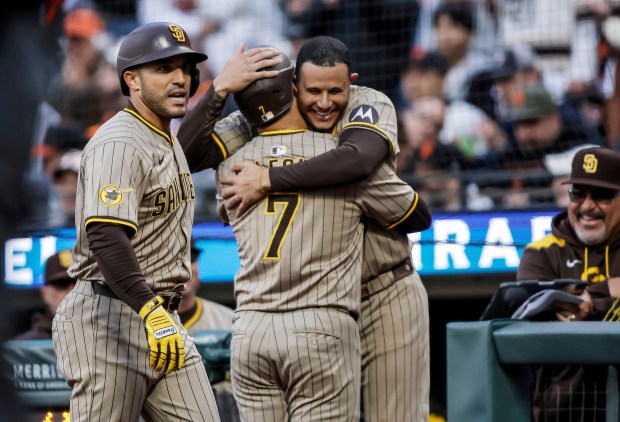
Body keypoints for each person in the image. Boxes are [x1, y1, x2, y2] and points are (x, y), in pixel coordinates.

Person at [179, 36, 432, 421]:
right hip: (319, 308)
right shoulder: (256, 121)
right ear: (293, 84)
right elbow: (182, 155)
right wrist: (218, 88)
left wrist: (270, 178)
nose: (325, 102)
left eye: (336, 90)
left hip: (382, 291)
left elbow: (358, 159)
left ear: (352, 82)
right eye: (314, 90)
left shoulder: (367, 102)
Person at [51, 22, 221, 422]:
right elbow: (106, 236)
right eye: (163, 69)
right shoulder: (119, 141)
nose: (180, 79)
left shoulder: (163, 136)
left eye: (185, 68)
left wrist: (225, 90)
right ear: (132, 80)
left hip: (161, 315)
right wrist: (150, 310)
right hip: (108, 319)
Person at [517, 146, 620, 421]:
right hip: (561, 411)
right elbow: (544, 307)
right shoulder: (541, 253)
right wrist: (610, 290)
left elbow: (571, 304)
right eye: (578, 193)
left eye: (602, 195)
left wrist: (590, 301)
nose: (587, 205)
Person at [13, 250, 76, 340]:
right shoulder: (21, 350)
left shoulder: (101, 340)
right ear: (44, 293)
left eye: (80, 283)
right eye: (62, 283)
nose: (73, 290)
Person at [179, 239, 234, 333]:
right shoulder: (145, 321)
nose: (184, 270)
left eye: (191, 259)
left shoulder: (229, 321)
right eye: (174, 262)